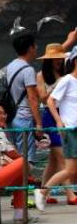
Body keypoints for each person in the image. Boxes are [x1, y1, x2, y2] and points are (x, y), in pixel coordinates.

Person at [36, 56, 77, 211]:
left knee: (58, 163)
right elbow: (49, 100)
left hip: (73, 127)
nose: (58, 60)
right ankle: (43, 192)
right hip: (68, 128)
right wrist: (59, 121)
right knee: (69, 168)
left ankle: (43, 191)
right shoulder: (66, 80)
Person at [4, 33, 44, 169]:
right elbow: (32, 98)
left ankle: (18, 182)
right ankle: (25, 181)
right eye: (35, 45)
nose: (36, 47)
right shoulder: (28, 70)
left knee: (14, 157)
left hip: (10, 116)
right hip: (24, 117)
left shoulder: (9, 66)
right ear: (30, 48)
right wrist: (39, 123)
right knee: (26, 158)